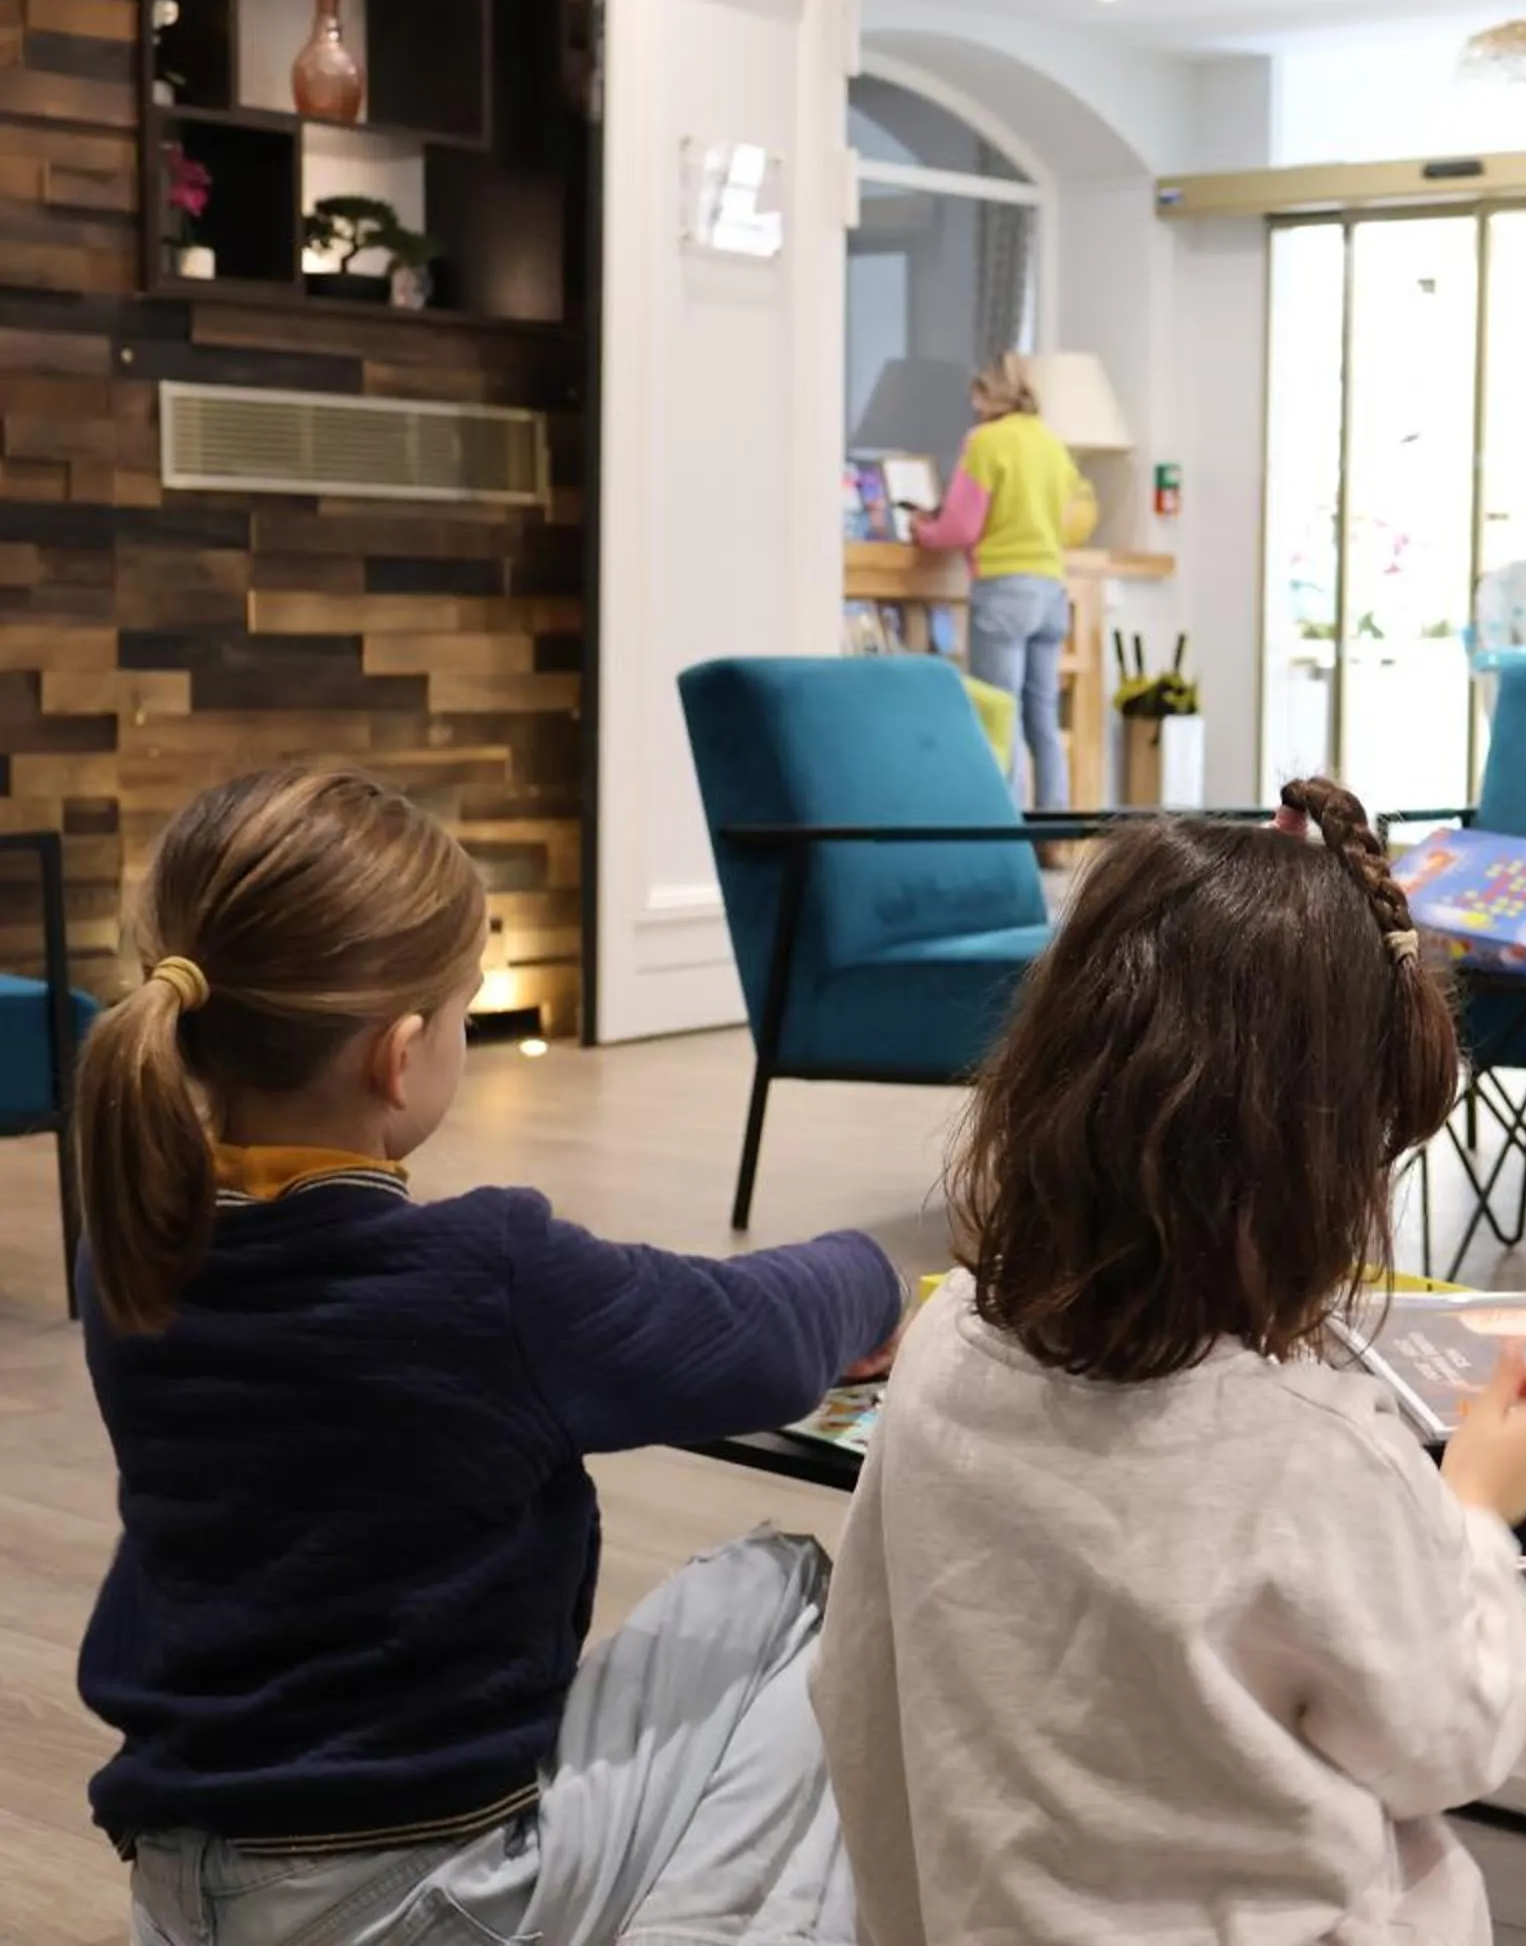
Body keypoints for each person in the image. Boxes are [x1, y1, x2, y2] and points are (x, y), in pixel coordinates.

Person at [75, 768, 907, 1946]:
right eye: (465, 1007)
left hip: (181, 1887)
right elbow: (761, 1344)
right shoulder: (489, 1278)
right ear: (401, 1052)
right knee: (789, 1584)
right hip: (422, 1893)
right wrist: (874, 1271)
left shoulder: (125, 1253)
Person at [815, 777, 1526, 1946]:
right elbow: (1450, 1742)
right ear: (1321, 1155)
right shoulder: (1316, 1452)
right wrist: (1477, 1506)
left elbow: (857, 1674)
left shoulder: (945, 1344)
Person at [910, 351, 1099, 811]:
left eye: (977, 395)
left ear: (989, 394)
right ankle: (1055, 826)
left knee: (1000, 709)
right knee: (1042, 716)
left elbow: (960, 528)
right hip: (1051, 590)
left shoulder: (986, 442)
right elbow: (1073, 517)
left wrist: (922, 529)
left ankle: (1006, 823)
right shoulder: (1050, 443)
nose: (974, 405)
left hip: (1004, 590)